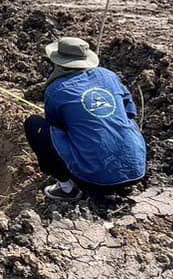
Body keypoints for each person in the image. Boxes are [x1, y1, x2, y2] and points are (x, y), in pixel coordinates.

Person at [23, 35, 146, 199]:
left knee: (35, 126)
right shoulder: (109, 75)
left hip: (93, 180)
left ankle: (67, 188)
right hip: (136, 170)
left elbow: (56, 130)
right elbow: (130, 112)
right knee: (125, 123)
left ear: (58, 61)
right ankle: (118, 170)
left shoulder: (56, 89)